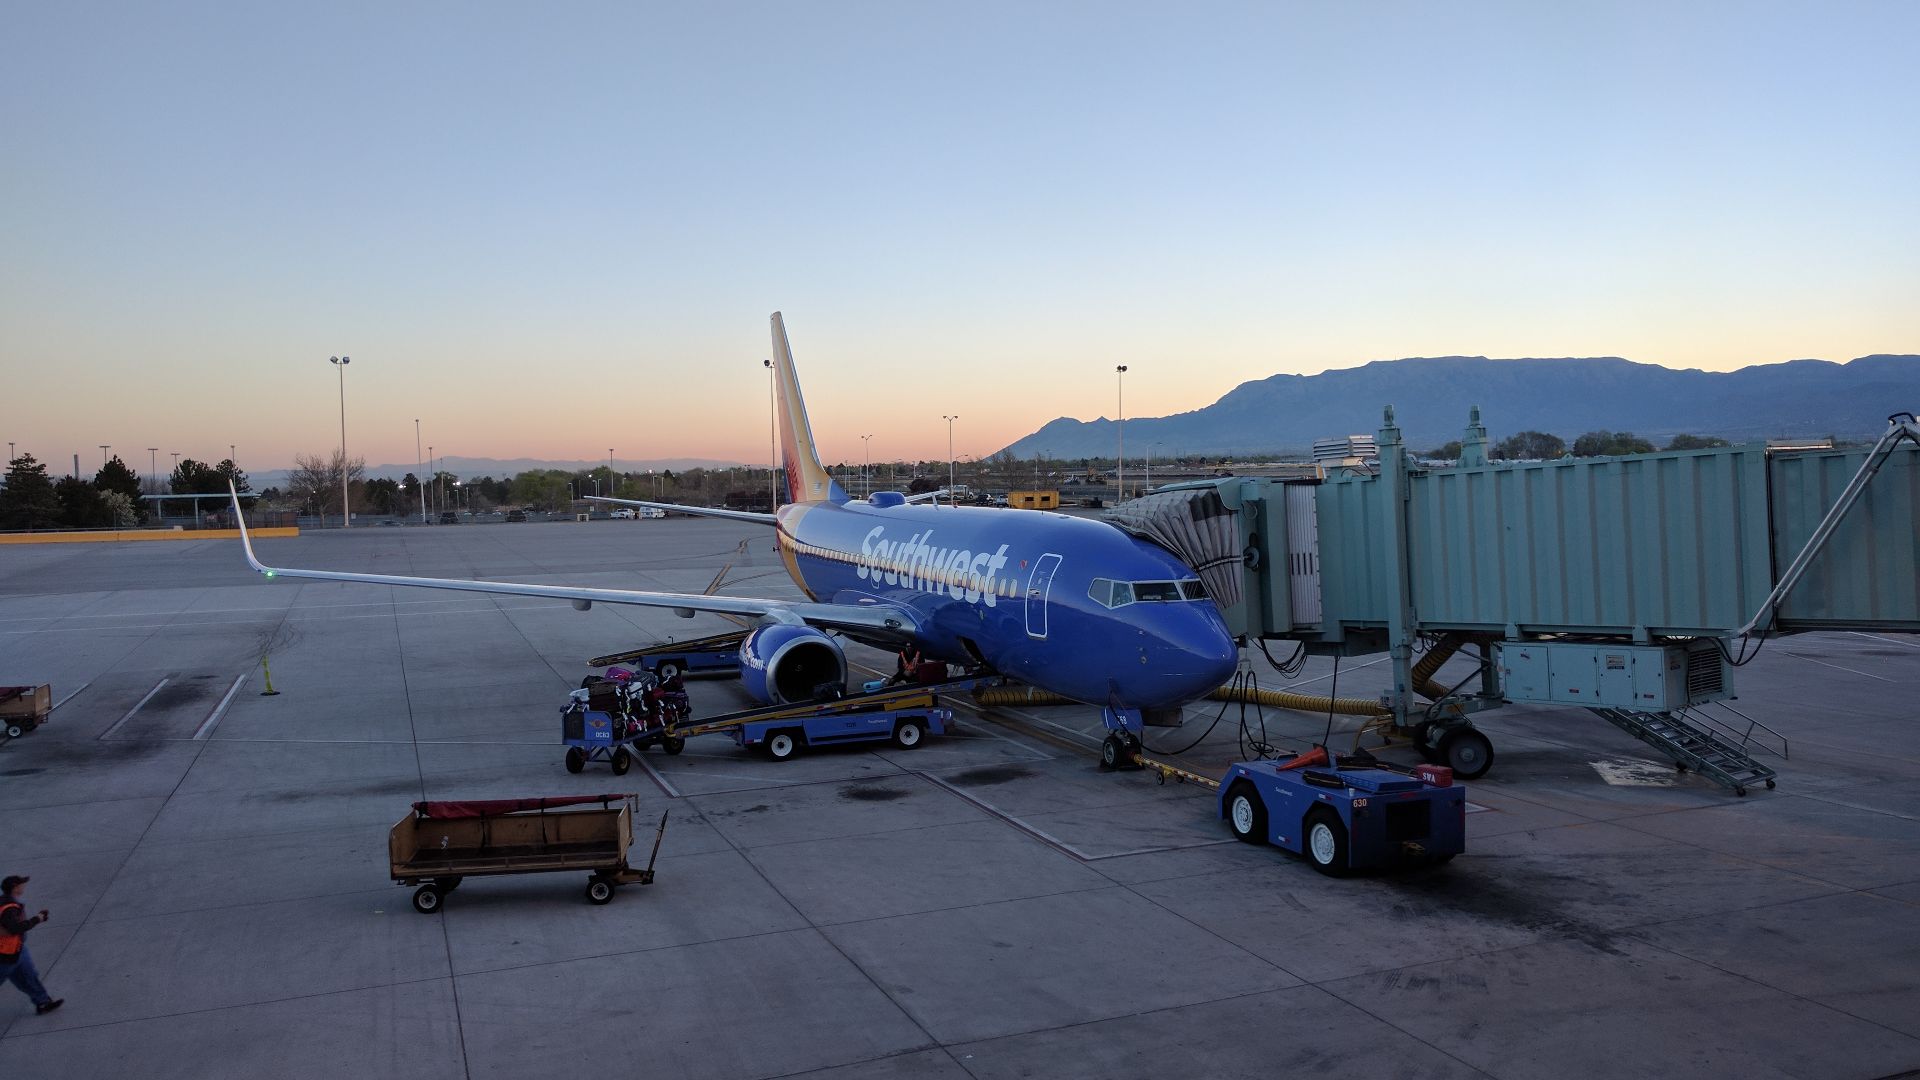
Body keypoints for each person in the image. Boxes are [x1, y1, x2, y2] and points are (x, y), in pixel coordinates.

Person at [0, 875, 61, 1015]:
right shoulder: (9, 907)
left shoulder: (6, 902)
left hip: (17, 950)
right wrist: (37, 919)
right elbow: (15, 928)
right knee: (25, 976)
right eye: (22, 884)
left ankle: (43, 1002)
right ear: (15, 887)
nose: (24, 886)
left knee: (29, 975)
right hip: (5, 955)